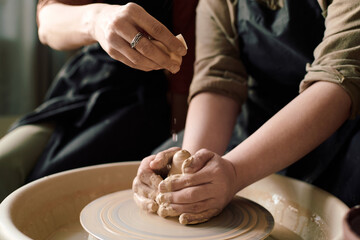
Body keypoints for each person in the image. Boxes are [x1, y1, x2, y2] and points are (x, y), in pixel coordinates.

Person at [133, 0, 360, 224]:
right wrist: (188, 176)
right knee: (159, 173)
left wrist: (234, 173)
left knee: (340, 215)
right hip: (257, 114)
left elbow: (341, 76)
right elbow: (218, 78)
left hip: (342, 118)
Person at [0, 0, 193, 201]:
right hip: (84, 91)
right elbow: (47, 24)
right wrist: (98, 19)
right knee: (5, 166)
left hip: (151, 108)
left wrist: (179, 142)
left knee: (52, 186)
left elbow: (188, 79)